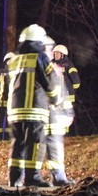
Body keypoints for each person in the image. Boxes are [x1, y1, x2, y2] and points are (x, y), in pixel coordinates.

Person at [6, 25, 59, 187]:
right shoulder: (41, 57)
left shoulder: (14, 59)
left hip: (14, 112)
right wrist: (56, 99)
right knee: (35, 143)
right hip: (34, 110)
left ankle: (14, 178)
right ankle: (32, 177)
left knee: (17, 143)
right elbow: (49, 81)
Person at [38, 40, 80, 185]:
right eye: (53, 52)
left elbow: (76, 82)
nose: (54, 54)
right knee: (48, 143)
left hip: (63, 102)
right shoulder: (47, 67)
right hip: (50, 109)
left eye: (56, 52)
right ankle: (46, 176)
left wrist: (68, 90)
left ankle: (56, 176)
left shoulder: (67, 66)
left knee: (55, 141)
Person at [0, 53, 15, 141]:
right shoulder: (0, 73)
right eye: (8, 60)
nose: (9, 62)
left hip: (12, 100)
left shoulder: (16, 72)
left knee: (9, 120)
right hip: (1, 100)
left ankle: (7, 137)